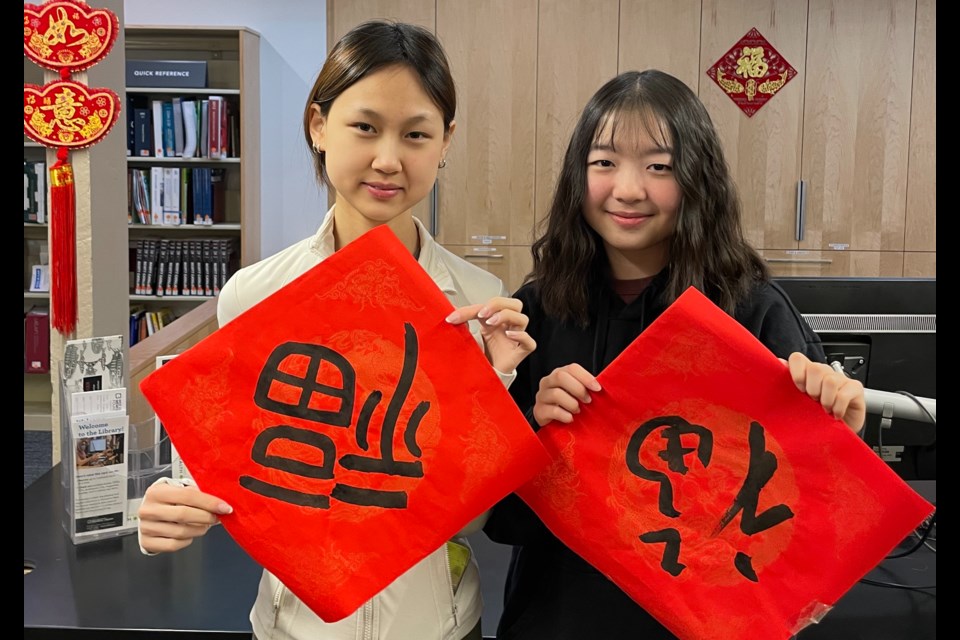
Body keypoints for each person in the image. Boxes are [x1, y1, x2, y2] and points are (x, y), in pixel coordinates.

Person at [137, 20, 536, 640]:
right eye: (365, 127)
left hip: (439, 625)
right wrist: (176, 505)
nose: (387, 159)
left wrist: (494, 382)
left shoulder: (480, 303)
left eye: (416, 135)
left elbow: (476, 516)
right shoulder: (256, 293)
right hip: (295, 624)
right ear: (318, 126)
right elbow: (239, 471)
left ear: (446, 142)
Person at [482, 69, 867, 640]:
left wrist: (843, 435)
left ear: (696, 179)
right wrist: (537, 433)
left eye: (658, 166)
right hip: (557, 616)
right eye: (604, 162)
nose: (629, 189)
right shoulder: (536, 312)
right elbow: (503, 520)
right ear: (576, 177)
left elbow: (811, 527)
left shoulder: (750, 310)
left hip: (708, 621)